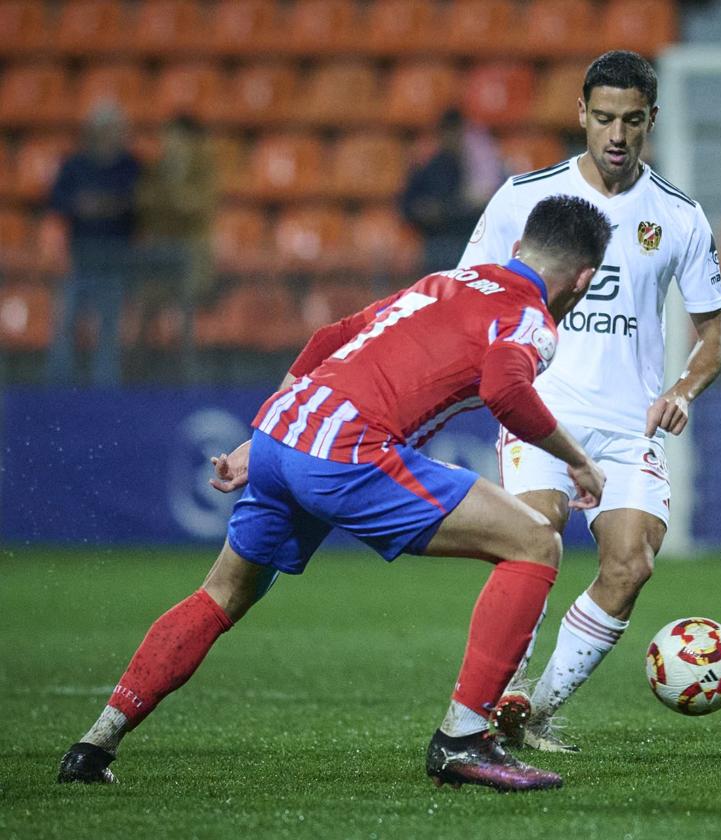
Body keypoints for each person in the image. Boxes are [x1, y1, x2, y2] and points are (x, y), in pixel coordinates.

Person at [56, 195, 613, 792]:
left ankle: (95, 743)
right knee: (534, 541)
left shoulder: (447, 279)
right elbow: (505, 389)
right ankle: (461, 741)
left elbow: (333, 336)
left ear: (517, 249)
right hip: (347, 450)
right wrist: (577, 460)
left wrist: (262, 435)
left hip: (281, 434)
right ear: (583, 279)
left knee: (219, 595)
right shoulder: (531, 317)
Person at [458, 50, 721, 751]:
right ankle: (499, 692)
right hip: (541, 416)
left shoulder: (677, 216)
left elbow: (716, 336)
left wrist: (683, 388)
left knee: (631, 563)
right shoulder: (524, 197)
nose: (616, 134)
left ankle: (535, 709)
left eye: (632, 121)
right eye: (603, 118)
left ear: (652, 121)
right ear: (581, 113)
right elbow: (466, 296)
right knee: (534, 533)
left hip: (627, 424)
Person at [45, 101, 142, 386]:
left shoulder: (129, 166)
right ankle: (57, 385)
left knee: (109, 327)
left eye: (114, 129)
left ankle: (105, 386)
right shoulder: (75, 165)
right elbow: (60, 203)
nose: (109, 135)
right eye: (103, 129)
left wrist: (99, 205)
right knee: (66, 324)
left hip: (115, 260)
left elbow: (135, 205)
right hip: (79, 257)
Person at [134, 114, 217, 381]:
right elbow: (144, 204)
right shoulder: (156, 169)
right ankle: (140, 374)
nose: (173, 144)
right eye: (169, 137)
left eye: (180, 138)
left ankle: (187, 376)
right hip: (159, 254)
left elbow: (198, 207)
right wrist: (177, 201)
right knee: (148, 313)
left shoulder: (204, 170)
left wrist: (173, 201)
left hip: (189, 256)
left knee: (186, 315)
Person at [399, 108, 506, 275]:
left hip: (467, 239)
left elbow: (482, 205)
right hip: (437, 241)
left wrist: (448, 210)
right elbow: (407, 205)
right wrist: (424, 211)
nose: (451, 138)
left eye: (455, 133)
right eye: (447, 133)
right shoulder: (430, 166)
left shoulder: (475, 166)